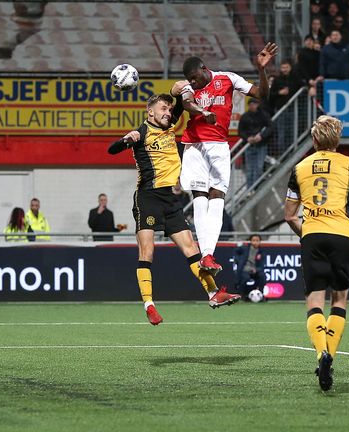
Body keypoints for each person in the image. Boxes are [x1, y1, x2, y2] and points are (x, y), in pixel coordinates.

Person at [108, 92, 240, 324]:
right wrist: (126, 139)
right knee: (147, 252)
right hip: (147, 198)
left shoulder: (168, 127)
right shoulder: (141, 133)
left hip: (170, 199)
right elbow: (112, 149)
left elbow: (180, 100)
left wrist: (179, 89)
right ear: (150, 112)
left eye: (169, 110)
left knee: (192, 248)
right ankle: (149, 305)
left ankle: (213, 293)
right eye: (163, 109)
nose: (168, 113)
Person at [284, 115, 349, 391]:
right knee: (339, 300)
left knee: (314, 300)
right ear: (338, 139)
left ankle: (322, 353)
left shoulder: (299, 168)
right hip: (342, 235)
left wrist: (307, 233)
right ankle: (329, 353)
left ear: (314, 139)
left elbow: (289, 216)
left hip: (313, 234)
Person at [176, 42, 278, 275]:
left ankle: (208, 254)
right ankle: (205, 254)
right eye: (189, 80)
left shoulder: (228, 79)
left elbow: (262, 94)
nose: (193, 82)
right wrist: (203, 112)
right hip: (193, 145)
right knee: (199, 197)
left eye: (195, 78)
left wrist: (261, 70)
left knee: (217, 197)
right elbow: (187, 103)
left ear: (204, 69)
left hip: (219, 145)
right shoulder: (188, 87)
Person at [238, 98, 273, 189]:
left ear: (257, 105)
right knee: (250, 169)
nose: (252, 106)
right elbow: (240, 131)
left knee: (259, 167)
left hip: (261, 144)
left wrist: (261, 136)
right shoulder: (245, 116)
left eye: (254, 104)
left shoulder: (263, 115)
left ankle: (256, 188)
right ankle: (250, 189)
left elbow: (270, 127)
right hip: (249, 145)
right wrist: (247, 138)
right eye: (250, 104)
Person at [234, 234, 265, 299]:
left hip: (254, 270)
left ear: (260, 242)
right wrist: (238, 261)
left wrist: (256, 270)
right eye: (253, 240)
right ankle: (242, 295)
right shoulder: (244, 248)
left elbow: (261, 265)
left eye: (257, 240)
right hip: (244, 269)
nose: (255, 242)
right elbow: (236, 251)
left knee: (262, 276)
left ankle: (260, 294)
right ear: (250, 241)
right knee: (245, 278)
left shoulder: (261, 252)